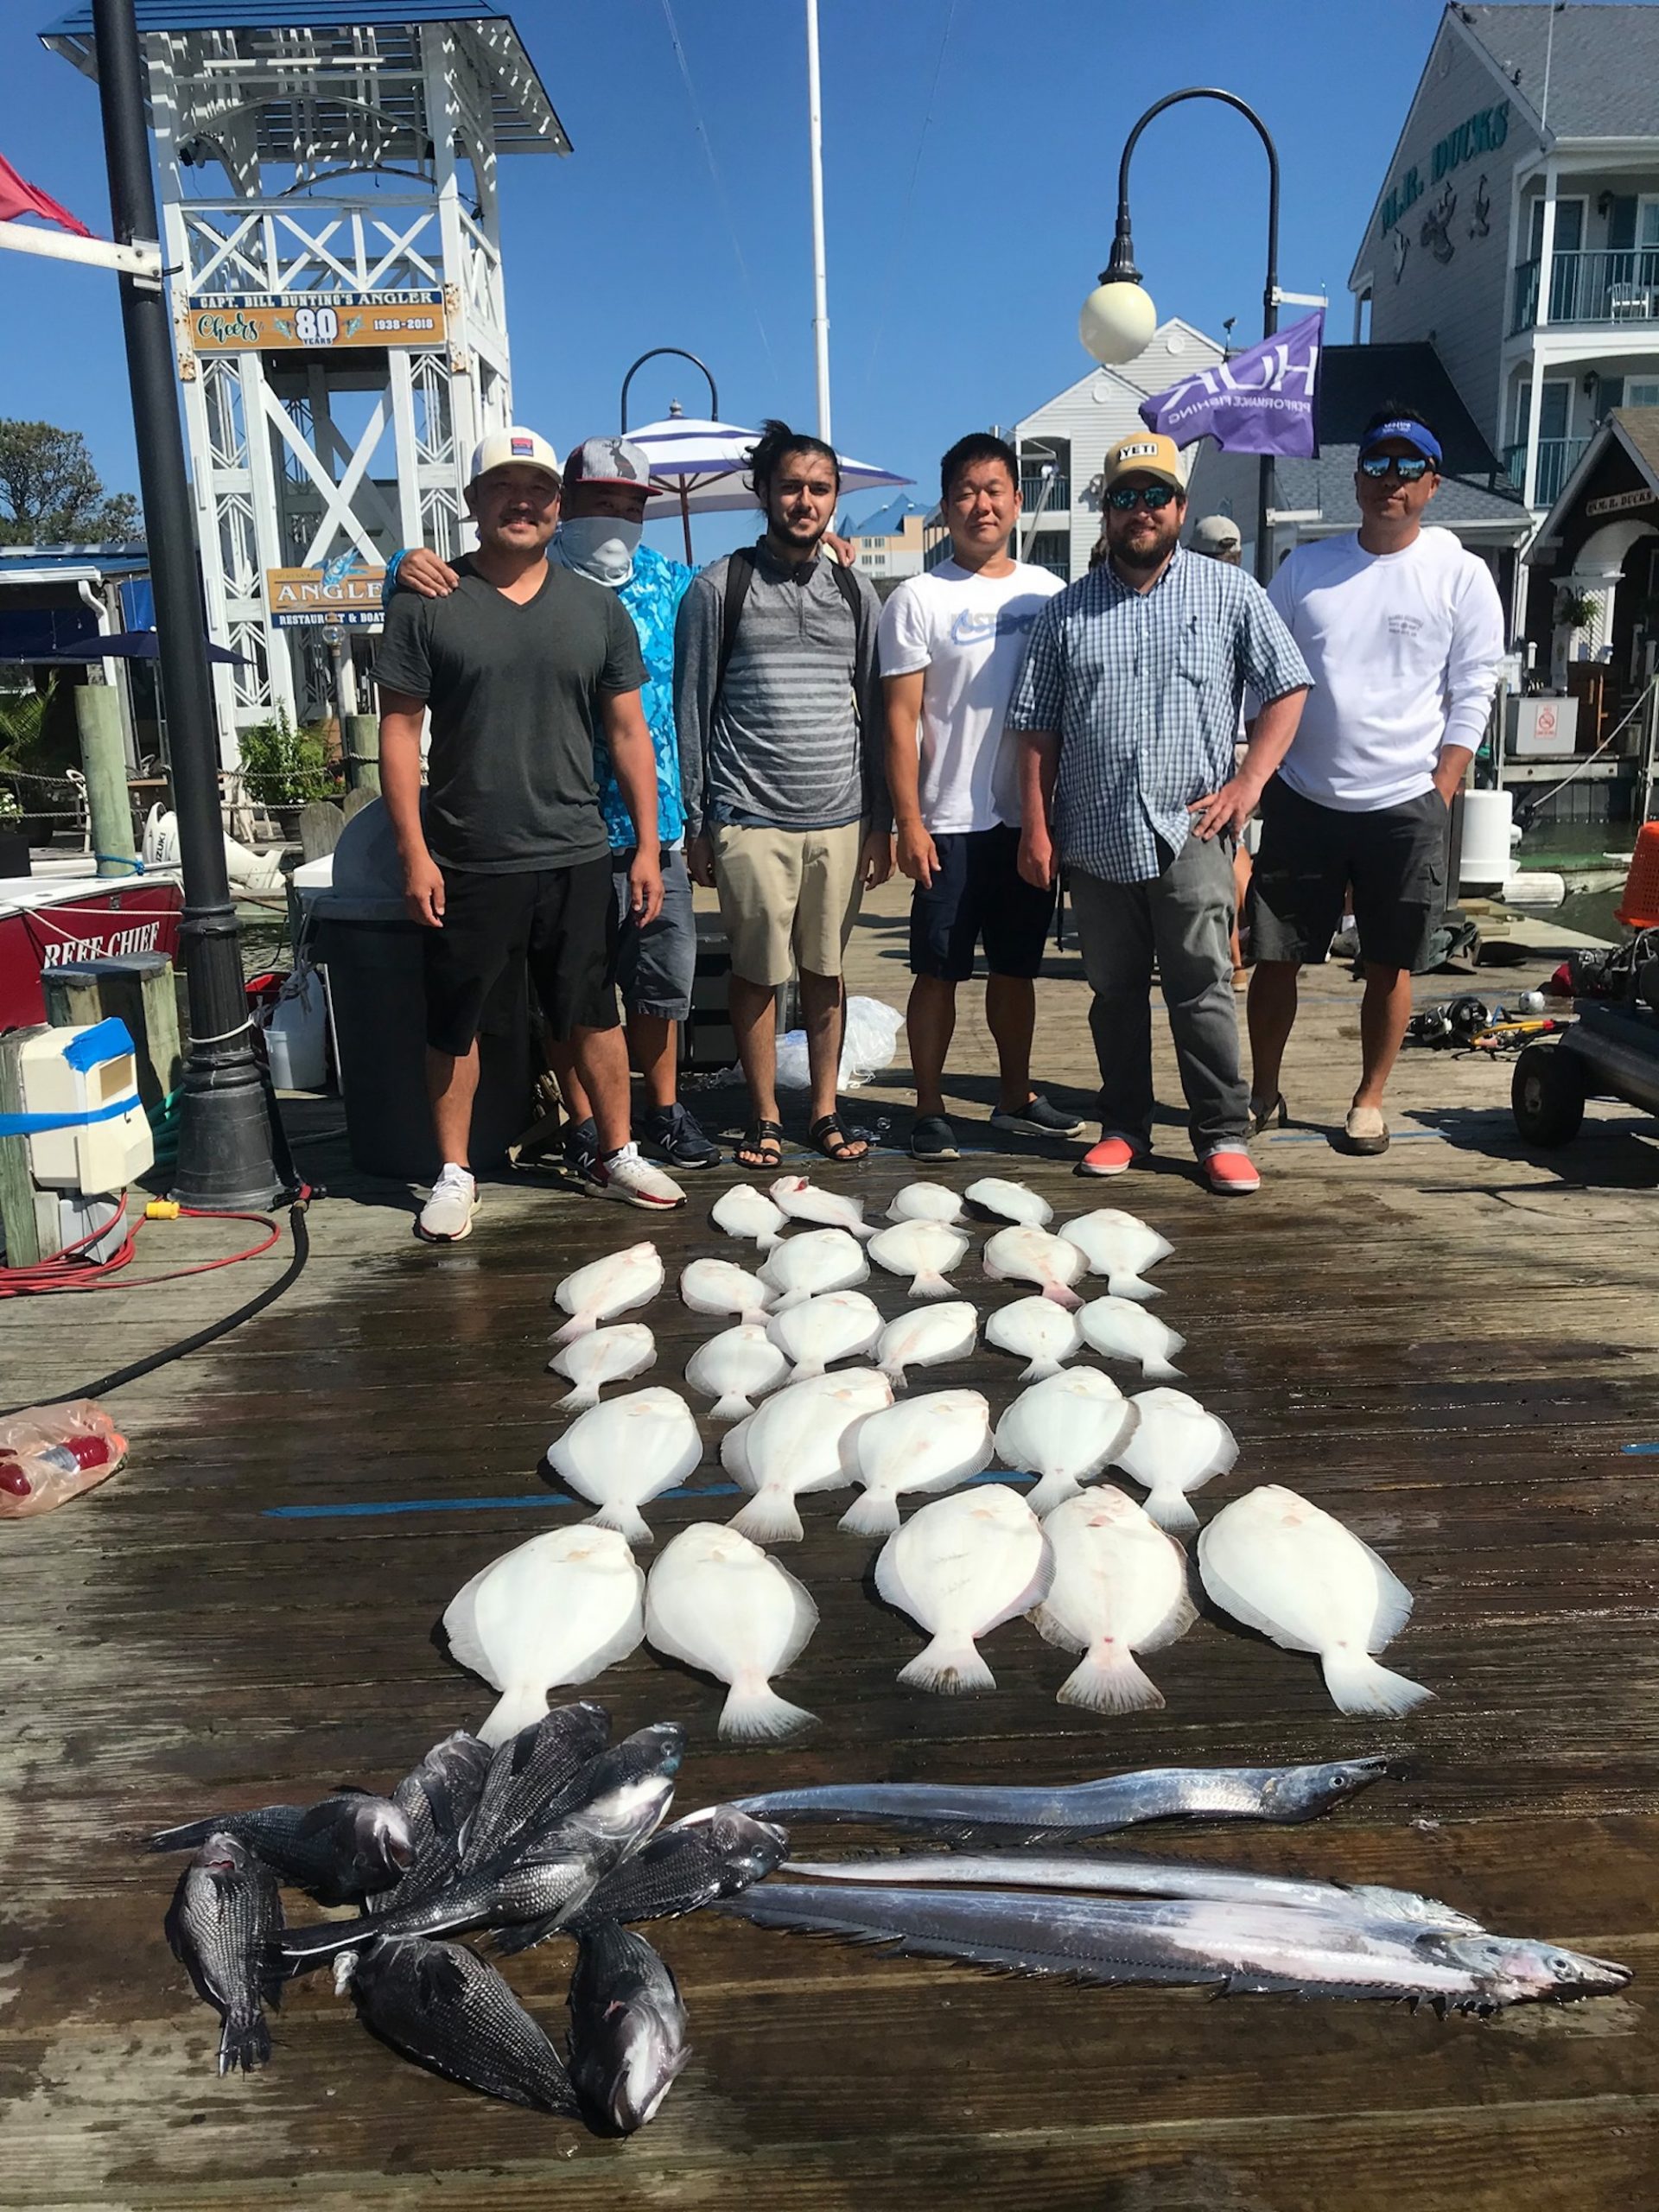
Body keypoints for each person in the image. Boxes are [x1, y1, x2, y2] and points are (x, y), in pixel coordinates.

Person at [374, 426, 686, 1238]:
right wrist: (413, 852)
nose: (523, 503)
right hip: (467, 855)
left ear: (558, 505)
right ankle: (454, 1172)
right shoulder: (426, 600)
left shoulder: (598, 608)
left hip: (577, 851)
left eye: (539, 490)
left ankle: (617, 1152)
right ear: (474, 502)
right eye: (503, 488)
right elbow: (399, 733)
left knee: (593, 1011)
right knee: (457, 1020)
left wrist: (647, 846)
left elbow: (629, 734)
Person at [1006, 431, 1311, 1197]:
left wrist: (1249, 783)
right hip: (1094, 834)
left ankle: (1221, 1133)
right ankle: (1124, 1126)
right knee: (1113, 994)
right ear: (1106, 512)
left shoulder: (1232, 593)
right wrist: (1037, 828)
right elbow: (1037, 730)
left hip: (1194, 830)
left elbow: (1288, 687)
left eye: (1154, 496)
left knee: (1203, 988)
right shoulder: (1065, 612)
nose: (1139, 510)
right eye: (1124, 497)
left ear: (1179, 507)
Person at [1245, 406, 1506, 1155]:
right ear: (1356, 478)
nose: (1391, 479)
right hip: (1303, 796)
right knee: (1275, 956)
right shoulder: (1305, 569)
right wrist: (1253, 772)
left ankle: (1368, 1099)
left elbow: (1475, 688)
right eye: (1378, 465)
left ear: (1432, 483)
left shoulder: (1461, 573)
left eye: (1408, 466)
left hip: (1405, 803)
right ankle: (1263, 1091)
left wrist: (1441, 787)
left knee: (1389, 963)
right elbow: (1262, 676)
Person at [674, 419, 892, 1173]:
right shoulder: (718, 587)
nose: (805, 501)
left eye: (820, 489)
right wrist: (697, 821)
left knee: (826, 971)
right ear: (763, 492)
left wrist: (882, 821)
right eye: (791, 486)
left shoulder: (856, 590)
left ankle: (825, 1109)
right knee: (757, 972)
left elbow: (877, 711)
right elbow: (692, 708)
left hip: (842, 815)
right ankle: (764, 1115)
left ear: (835, 498)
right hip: (748, 815)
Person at [879, 431, 1080, 1161]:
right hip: (947, 820)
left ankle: (1015, 1096)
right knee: (937, 971)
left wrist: (1054, 818)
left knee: (1017, 969)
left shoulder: (1050, 594)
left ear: (1017, 502)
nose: (981, 505)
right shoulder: (917, 597)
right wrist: (908, 821)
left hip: (1028, 820)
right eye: (965, 492)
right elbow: (899, 720)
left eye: (994, 490)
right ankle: (929, 1106)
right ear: (946, 505)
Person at [1185, 514, 1253, 988]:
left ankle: (1234, 958)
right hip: (1235, 753)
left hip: (1231, 755)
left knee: (1228, 862)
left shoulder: (1228, 602)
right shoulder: (1247, 595)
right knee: (1232, 859)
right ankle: (1236, 957)